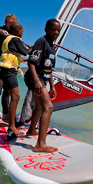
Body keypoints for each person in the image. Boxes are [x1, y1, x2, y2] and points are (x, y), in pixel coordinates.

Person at [24, 19, 61, 152]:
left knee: (39, 106)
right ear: (46, 29)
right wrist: (37, 81)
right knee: (48, 107)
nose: (56, 32)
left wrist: (52, 86)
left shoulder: (52, 46)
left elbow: (49, 68)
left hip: (42, 79)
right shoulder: (41, 41)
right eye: (53, 29)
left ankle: (32, 130)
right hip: (34, 78)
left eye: (58, 30)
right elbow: (31, 62)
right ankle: (40, 144)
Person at [0, 22, 31, 140]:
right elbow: (27, 51)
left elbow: (19, 56)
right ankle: (11, 127)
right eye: (22, 30)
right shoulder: (16, 39)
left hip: (3, 69)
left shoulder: (8, 40)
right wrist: (38, 49)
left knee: (11, 96)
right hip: (8, 70)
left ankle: (11, 123)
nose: (22, 33)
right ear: (18, 30)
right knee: (15, 97)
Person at [0, 14, 18, 127]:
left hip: (6, 65)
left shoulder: (14, 36)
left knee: (7, 90)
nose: (11, 24)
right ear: (5, 22)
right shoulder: (1, 33)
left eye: (13, 22)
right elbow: (16, 43)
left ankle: (6, 114)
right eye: (9, 22)